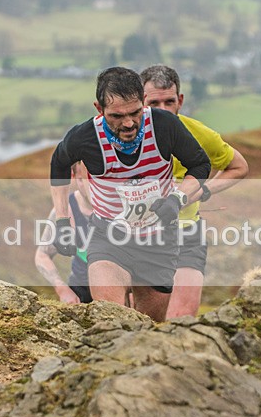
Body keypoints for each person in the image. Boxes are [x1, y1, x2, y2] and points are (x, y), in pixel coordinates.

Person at [49, 66, 210, 321]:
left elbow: (201, 165)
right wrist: (61, 220)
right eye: (116, 115)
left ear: (143, 102)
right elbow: (57, 165)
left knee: (148, 326)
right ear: (98, 108)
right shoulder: (85, 137)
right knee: (112, 320)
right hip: (109, 237)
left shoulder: (164, 125)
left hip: (159, 240)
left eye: (135, 112)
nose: (128, 123)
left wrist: (176, 198)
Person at [140, 64, 249, 318]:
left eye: (169, 102)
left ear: (180, 101)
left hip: (187, 234)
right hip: (138, 237)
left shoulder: (198, 133)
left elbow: (239, 167)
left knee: (183, 319)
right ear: (141, 102)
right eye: (154, 104)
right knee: (141, 319)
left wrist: (203, 191)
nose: (163, 110)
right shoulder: (127, 135)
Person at [35, 162, 93, 304]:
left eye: (93, 180)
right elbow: (42, 255)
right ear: (73, 176)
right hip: (81, 292)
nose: (88, 188)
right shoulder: (64, 210)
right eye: (81, 180)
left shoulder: (115, 206)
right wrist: (62, 289)